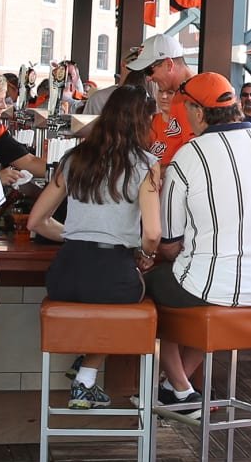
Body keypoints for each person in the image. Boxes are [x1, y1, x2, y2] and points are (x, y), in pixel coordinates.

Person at [150, 73, 251, 401]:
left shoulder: (190, 155)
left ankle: (178, 386)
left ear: (199, 113)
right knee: (210, 293)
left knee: (148, 285)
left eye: (185, 110)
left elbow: (169, 241)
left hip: (213, 290)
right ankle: (172, 387)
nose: (183, 117)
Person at [27, 82, 161, 409]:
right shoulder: (145, 163)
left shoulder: (75, 158)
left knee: (102, 295)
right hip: (111, 275)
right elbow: (153, 233)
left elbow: (36, 222)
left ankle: (85, 361)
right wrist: (145, 254)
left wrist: (76, 232)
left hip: (64, 275)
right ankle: (86, 377)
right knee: (129, 295)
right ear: (143, 121)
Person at [126, 33, 200, 165]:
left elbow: (195, 158)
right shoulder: (181, 95)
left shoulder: (198, 95)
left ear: (169, 64)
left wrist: (154, 174)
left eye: (149, 71)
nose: (148, 78)